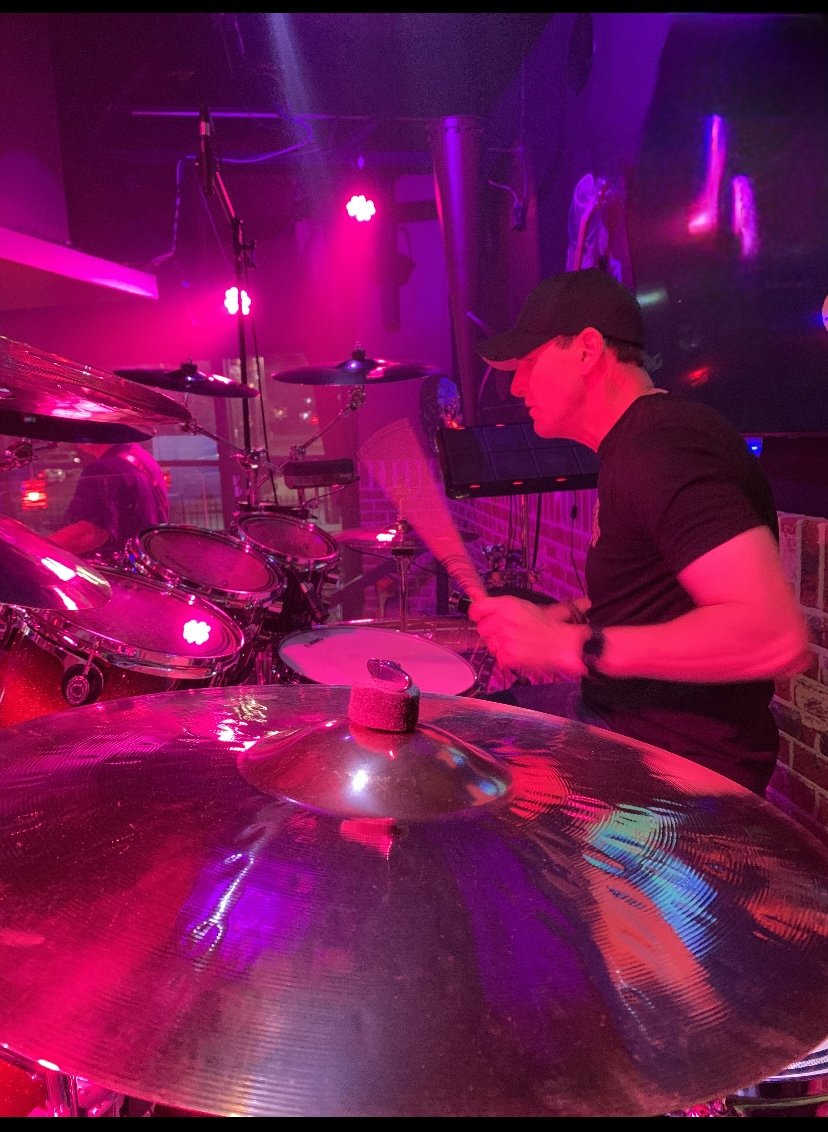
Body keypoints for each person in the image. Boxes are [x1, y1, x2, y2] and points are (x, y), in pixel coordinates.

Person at [468, 267, 809, 797]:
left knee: (464, 792)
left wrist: (570, 646)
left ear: (587, 349)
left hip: (677, 777)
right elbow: (665, 588)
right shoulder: (637, 443)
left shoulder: (664, 448)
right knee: (462, 739)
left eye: (529, 363)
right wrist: (572, 613)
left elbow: (773, 636)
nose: (516, 386)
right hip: (626, 728)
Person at [49, 440, 169, 564]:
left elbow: (89, 533)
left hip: (115, 568)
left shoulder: (103, 468)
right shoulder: (141, 457)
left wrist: (45, 549)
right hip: (140, 564)